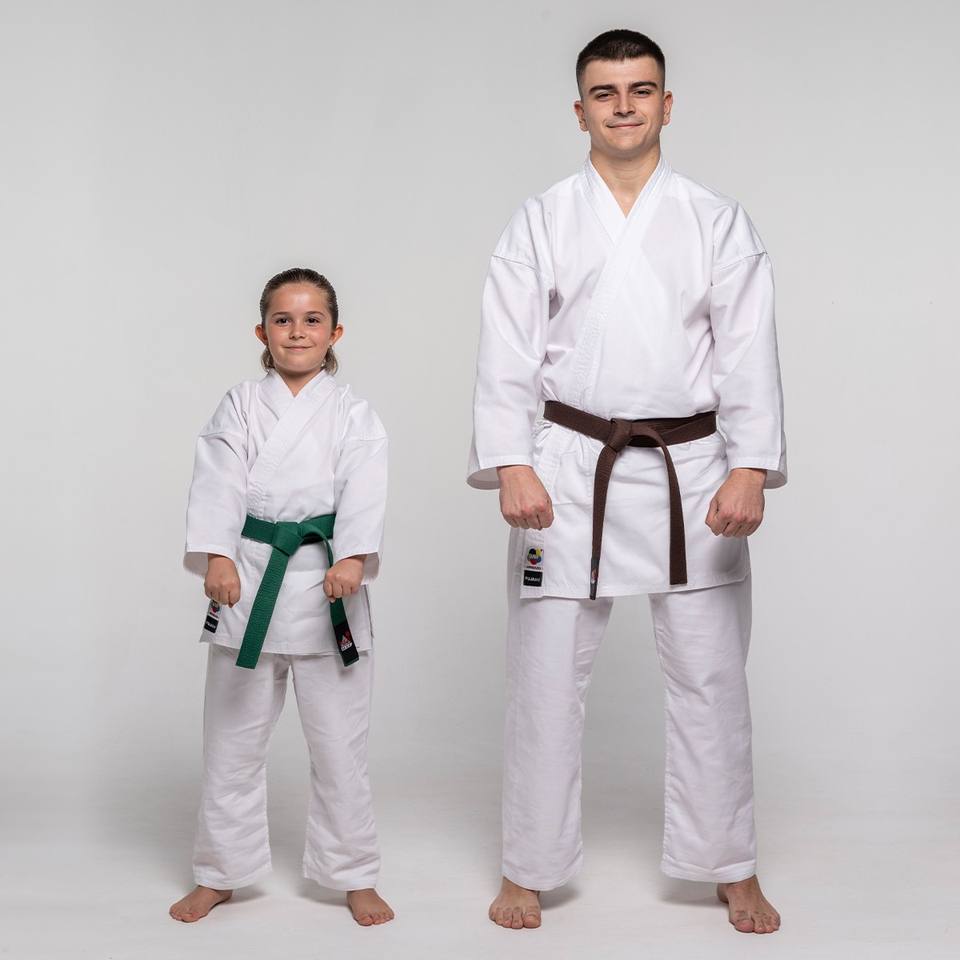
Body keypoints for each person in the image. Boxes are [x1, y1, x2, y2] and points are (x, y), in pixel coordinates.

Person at [468, 30, 786, 934]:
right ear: (580, 111)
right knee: (543, 679)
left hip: (693, 471)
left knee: (711, 678)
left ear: (666, 104)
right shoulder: (540, 219)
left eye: (640, 89)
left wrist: (750, 466)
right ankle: (529, 866)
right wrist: (513, 461)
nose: (623, 106)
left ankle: (729, 864)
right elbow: (507, 350)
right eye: (605, 93)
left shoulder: (717, 219)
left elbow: (748, 351)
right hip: (569, 467)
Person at [169, 267, 394, 926]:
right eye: (283, 319)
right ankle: (219, 872)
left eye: (312, 319)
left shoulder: (353, 413)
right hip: (248, 578)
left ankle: (353, 873)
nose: (298, 332)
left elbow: (365, 487)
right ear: (262, 332)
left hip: (328, 585)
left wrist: (353, 557)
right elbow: (217, 480)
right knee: (231, 745)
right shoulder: (239, 405)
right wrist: (216, 555)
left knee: (340, 748)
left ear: (335, 332)